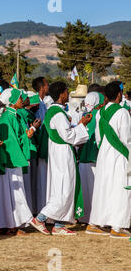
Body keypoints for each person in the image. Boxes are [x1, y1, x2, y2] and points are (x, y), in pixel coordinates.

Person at [30, 82, 91, 236]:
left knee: (64, 187)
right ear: (61, 94)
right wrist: (82, 125)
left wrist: (77, 126)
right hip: (62, 153)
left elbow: (67, 132)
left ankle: (58, 224)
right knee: (64, 189)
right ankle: (40, 218)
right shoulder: (57, 113)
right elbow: (68, 135)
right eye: (66, 92)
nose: (67, 94)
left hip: (59, 152)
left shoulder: (54, 111)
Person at [0, 89, 39, 235]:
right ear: (12, 102)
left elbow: (17, 137)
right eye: (19, 98)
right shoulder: (8, 117)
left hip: (12, 160)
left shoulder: (13, 116)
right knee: (10, 192)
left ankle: (11, 224)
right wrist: (30, 132)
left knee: (9, 192)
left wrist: (28, 133)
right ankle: (10, 224)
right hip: (10, 160)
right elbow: (11, 142)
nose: (22, 100)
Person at [88, 81, 131, 238]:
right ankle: (117, 227)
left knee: (103, 188)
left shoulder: (100, 112)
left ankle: (94, 223)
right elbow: (126, 139)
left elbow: (99, 137)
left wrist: (104, 149)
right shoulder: (122, 113)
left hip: (104, 153)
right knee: (121, 188)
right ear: (119, 95)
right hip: (119, 154)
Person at [78, 92, 105, 225]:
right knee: (96, 189)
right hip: (95, 156)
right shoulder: (99, 115)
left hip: (83, 156)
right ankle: (96, 219)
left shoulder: (84, 116)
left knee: (86, 190)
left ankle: (84, 217)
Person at [32, 77, 50, 214]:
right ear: (42, 87)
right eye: (47, 84)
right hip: (37, 142)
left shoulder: (43, 103)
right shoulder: (35, 103)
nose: (48, 86)